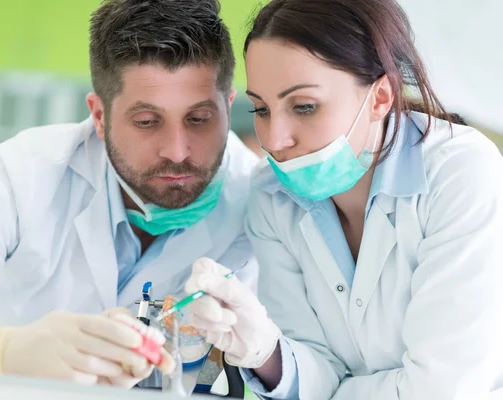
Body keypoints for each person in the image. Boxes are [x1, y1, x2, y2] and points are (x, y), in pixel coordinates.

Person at [0, 0, 259, 389]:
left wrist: (263, 355)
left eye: (199, 119)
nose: (176, 150)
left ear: (227, 107)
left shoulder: (264, 207)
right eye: (146, 121)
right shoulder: (20, 176)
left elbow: (311, 368)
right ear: (100, 117)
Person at [185, 0, 503, 398]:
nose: (275, 140)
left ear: (381, 97)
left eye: (304, 106)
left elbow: (443, 388)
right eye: (262, 109)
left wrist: (336, 389)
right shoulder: (272, 197)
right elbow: (317, 370)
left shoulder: (459, 172)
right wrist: (266, 353)